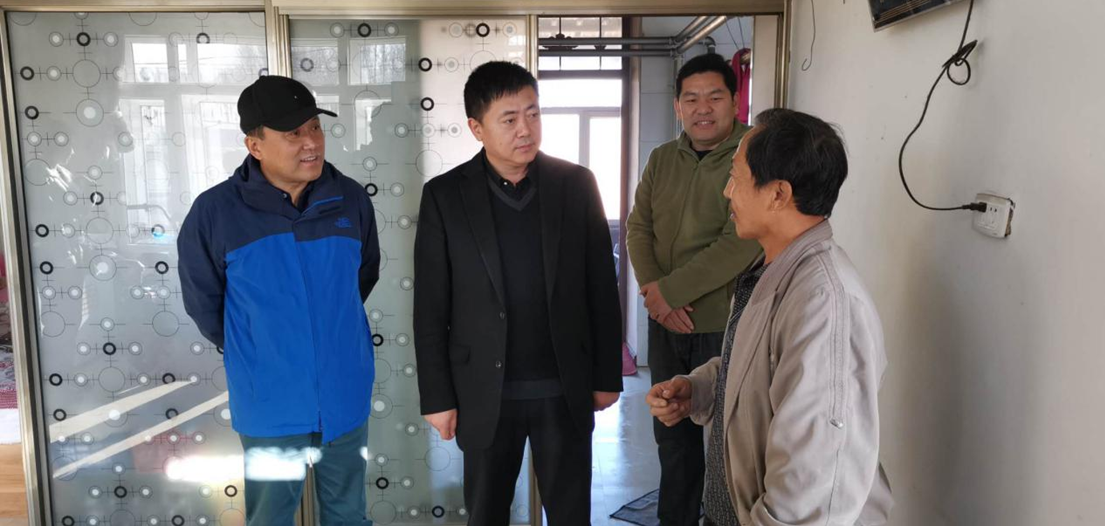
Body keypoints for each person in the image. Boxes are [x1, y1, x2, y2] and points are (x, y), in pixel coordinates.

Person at [646, 108, 893, 526]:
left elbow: (809, 487)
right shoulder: (774, 269)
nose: (728, 192)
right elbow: (760, 369)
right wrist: (702, 389)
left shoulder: (823, 302)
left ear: (778, 194)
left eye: (736, 178)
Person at [413, 61, 623, 525]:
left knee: (570, 513)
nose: (525, 129)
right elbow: (430, 306)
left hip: (563, 386)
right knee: (486, 512)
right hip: (484, 391)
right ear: (477, 128)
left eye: (533, 114)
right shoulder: (445, 196)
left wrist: (607, 374)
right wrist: (437, 397)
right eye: (509, 119)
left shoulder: (576, 184)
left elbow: (601, 288)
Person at [178, 75, 379, 526]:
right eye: (293, 133)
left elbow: (362, 277)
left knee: (349, 516)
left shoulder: (350, 199)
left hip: (344, 395)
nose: (311, 143)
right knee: (270, 518)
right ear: (255, 145)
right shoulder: (215, 213)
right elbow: (205, 303)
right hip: (269, 401)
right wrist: (260, 348)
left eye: (315, 128)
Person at [626, 52, 761, 526]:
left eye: (714, 97)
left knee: (730, 442)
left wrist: (668, 294)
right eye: (691, 98)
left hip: (724, 325)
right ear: (678, 106)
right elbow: (638, 227)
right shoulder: (663, 158)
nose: (703, 108)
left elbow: (739, 242)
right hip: (666, 325)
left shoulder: (754, 154)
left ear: (735, 100)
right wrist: (655, 295)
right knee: (671, 434)